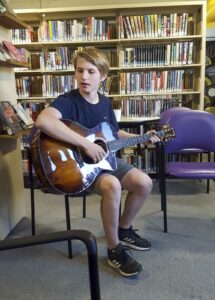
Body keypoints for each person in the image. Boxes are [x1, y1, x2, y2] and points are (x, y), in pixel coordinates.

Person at [35, 47, 160, 278]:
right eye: (80, 70)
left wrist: (142, 138)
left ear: (102, 76)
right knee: (111, 184)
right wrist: (85, 144)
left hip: (105, 160)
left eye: (91, 71)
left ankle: (123, 230)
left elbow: (113, 134)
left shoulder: (105, 102)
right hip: (79, 167)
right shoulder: (68, 101)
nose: (84, 77)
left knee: (144, 182)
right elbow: (43, 121)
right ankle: (114, 249)